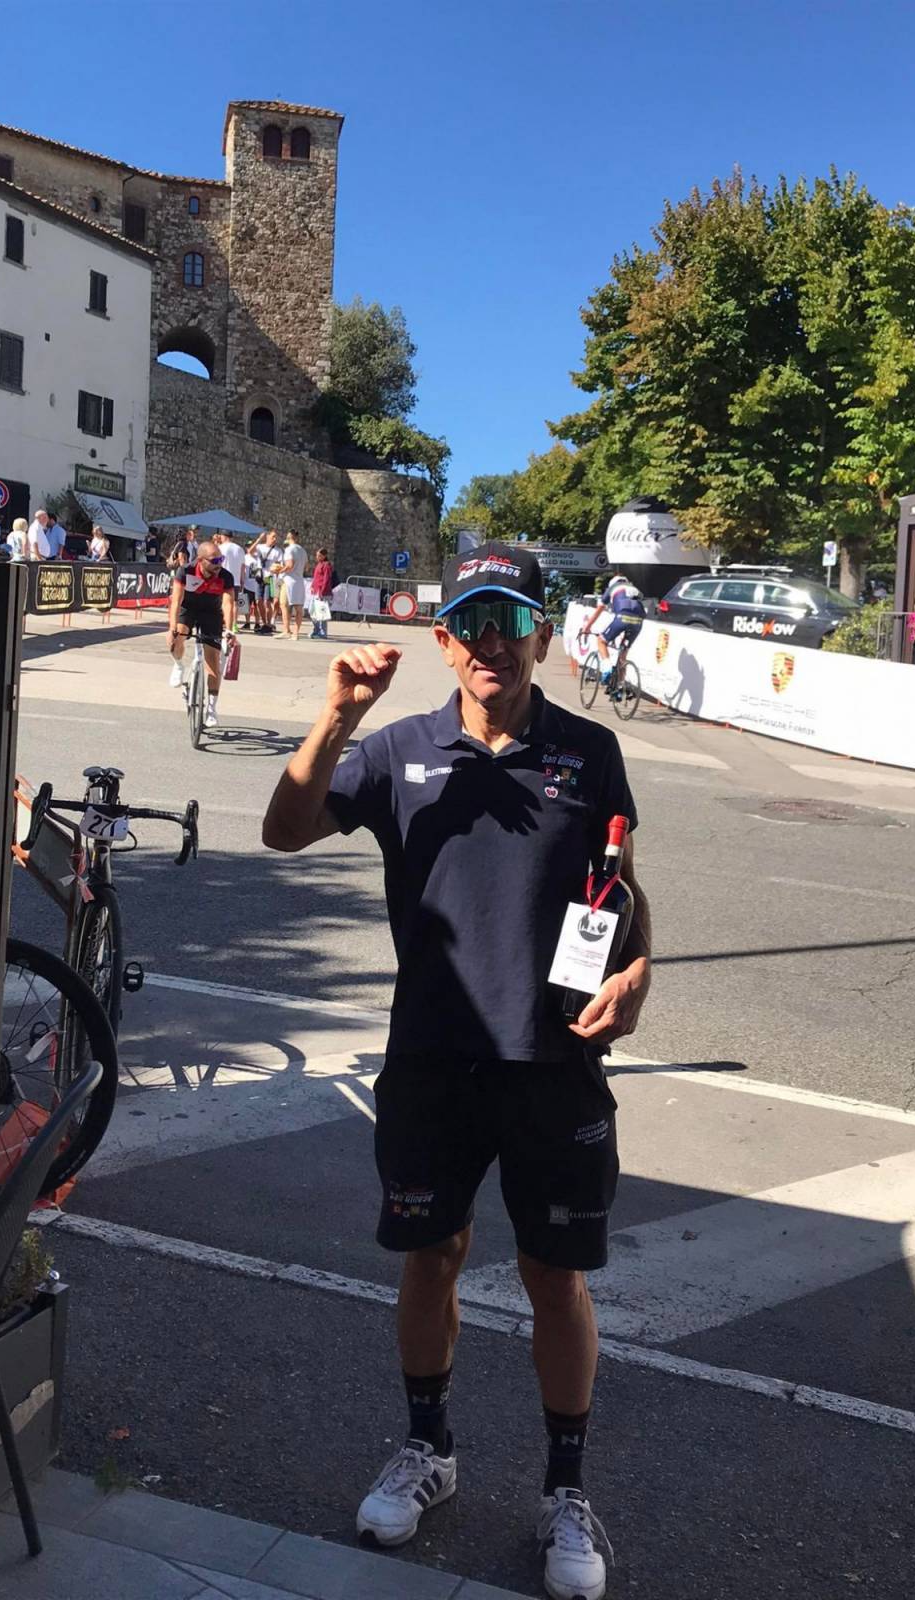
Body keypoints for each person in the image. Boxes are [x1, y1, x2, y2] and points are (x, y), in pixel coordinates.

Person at [262, 541, 650, 1600]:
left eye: (510, 620)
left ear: (542, 636)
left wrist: (640, 970)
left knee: (554, 1278)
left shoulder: (589, 750)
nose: (491, 641)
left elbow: (620, 883)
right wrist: (336, 715)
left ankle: (565, 1490)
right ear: (443, 640)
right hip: (432, 1060)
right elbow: (284, 830)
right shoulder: (398, 751)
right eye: (471, 621)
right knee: (430, 1259)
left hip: (554, 1062)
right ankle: (427, 1449)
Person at [167, 539, 236, 729]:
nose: (219, 564)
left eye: (221, 559)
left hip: (211, 613)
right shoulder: (186, 571)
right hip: (188, 608)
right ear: (200, 560)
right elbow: (176, 601)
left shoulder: (225, 576)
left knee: (212, 660)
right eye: (214, 561)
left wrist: (229, 630)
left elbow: (228, 604)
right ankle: (178, 665)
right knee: (177, 636)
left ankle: (211, 708)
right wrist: (172, 628)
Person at [580, 574, 647, 691]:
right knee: (623, 655)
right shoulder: (634, 589)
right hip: (638, 622)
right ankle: (620, 685)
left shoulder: (612, 588)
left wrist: (587, 627)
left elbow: (599, 610)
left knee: (601, 641)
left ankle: (607, 668)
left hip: (622, 618)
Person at [279, 530, 308, 639]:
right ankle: (296, 633)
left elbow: (289, 565)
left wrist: (279, 570)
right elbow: (306, 567)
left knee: (284, 605)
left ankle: (286, 630)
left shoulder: (289, 550)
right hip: (299, 580)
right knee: (299, 608)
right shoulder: (303, 551)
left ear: (288, 538)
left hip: (289, 580)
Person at [213, 531, 246, 624]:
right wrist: (242, 579)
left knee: (222, 602)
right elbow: (243, 566)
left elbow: (216, 562)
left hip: (222, 577)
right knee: (234, 602)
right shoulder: (239, 549)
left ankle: (222, 621)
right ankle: (234, 624)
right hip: (235, 579)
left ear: (224, 537)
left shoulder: (221, 548)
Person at [308, 546, 335, 640]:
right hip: (316, 591)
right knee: (312, 611)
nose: (317, 557)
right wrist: (312, 586)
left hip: (323, 593)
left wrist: (322, 592)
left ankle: (323, 633)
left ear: (324, 556)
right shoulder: (319, 564)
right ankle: (316, 630)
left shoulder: (326, 565)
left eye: (319, 555)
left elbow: (326, 579)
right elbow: (316, 577)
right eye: (317, 555)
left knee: (322, 614)